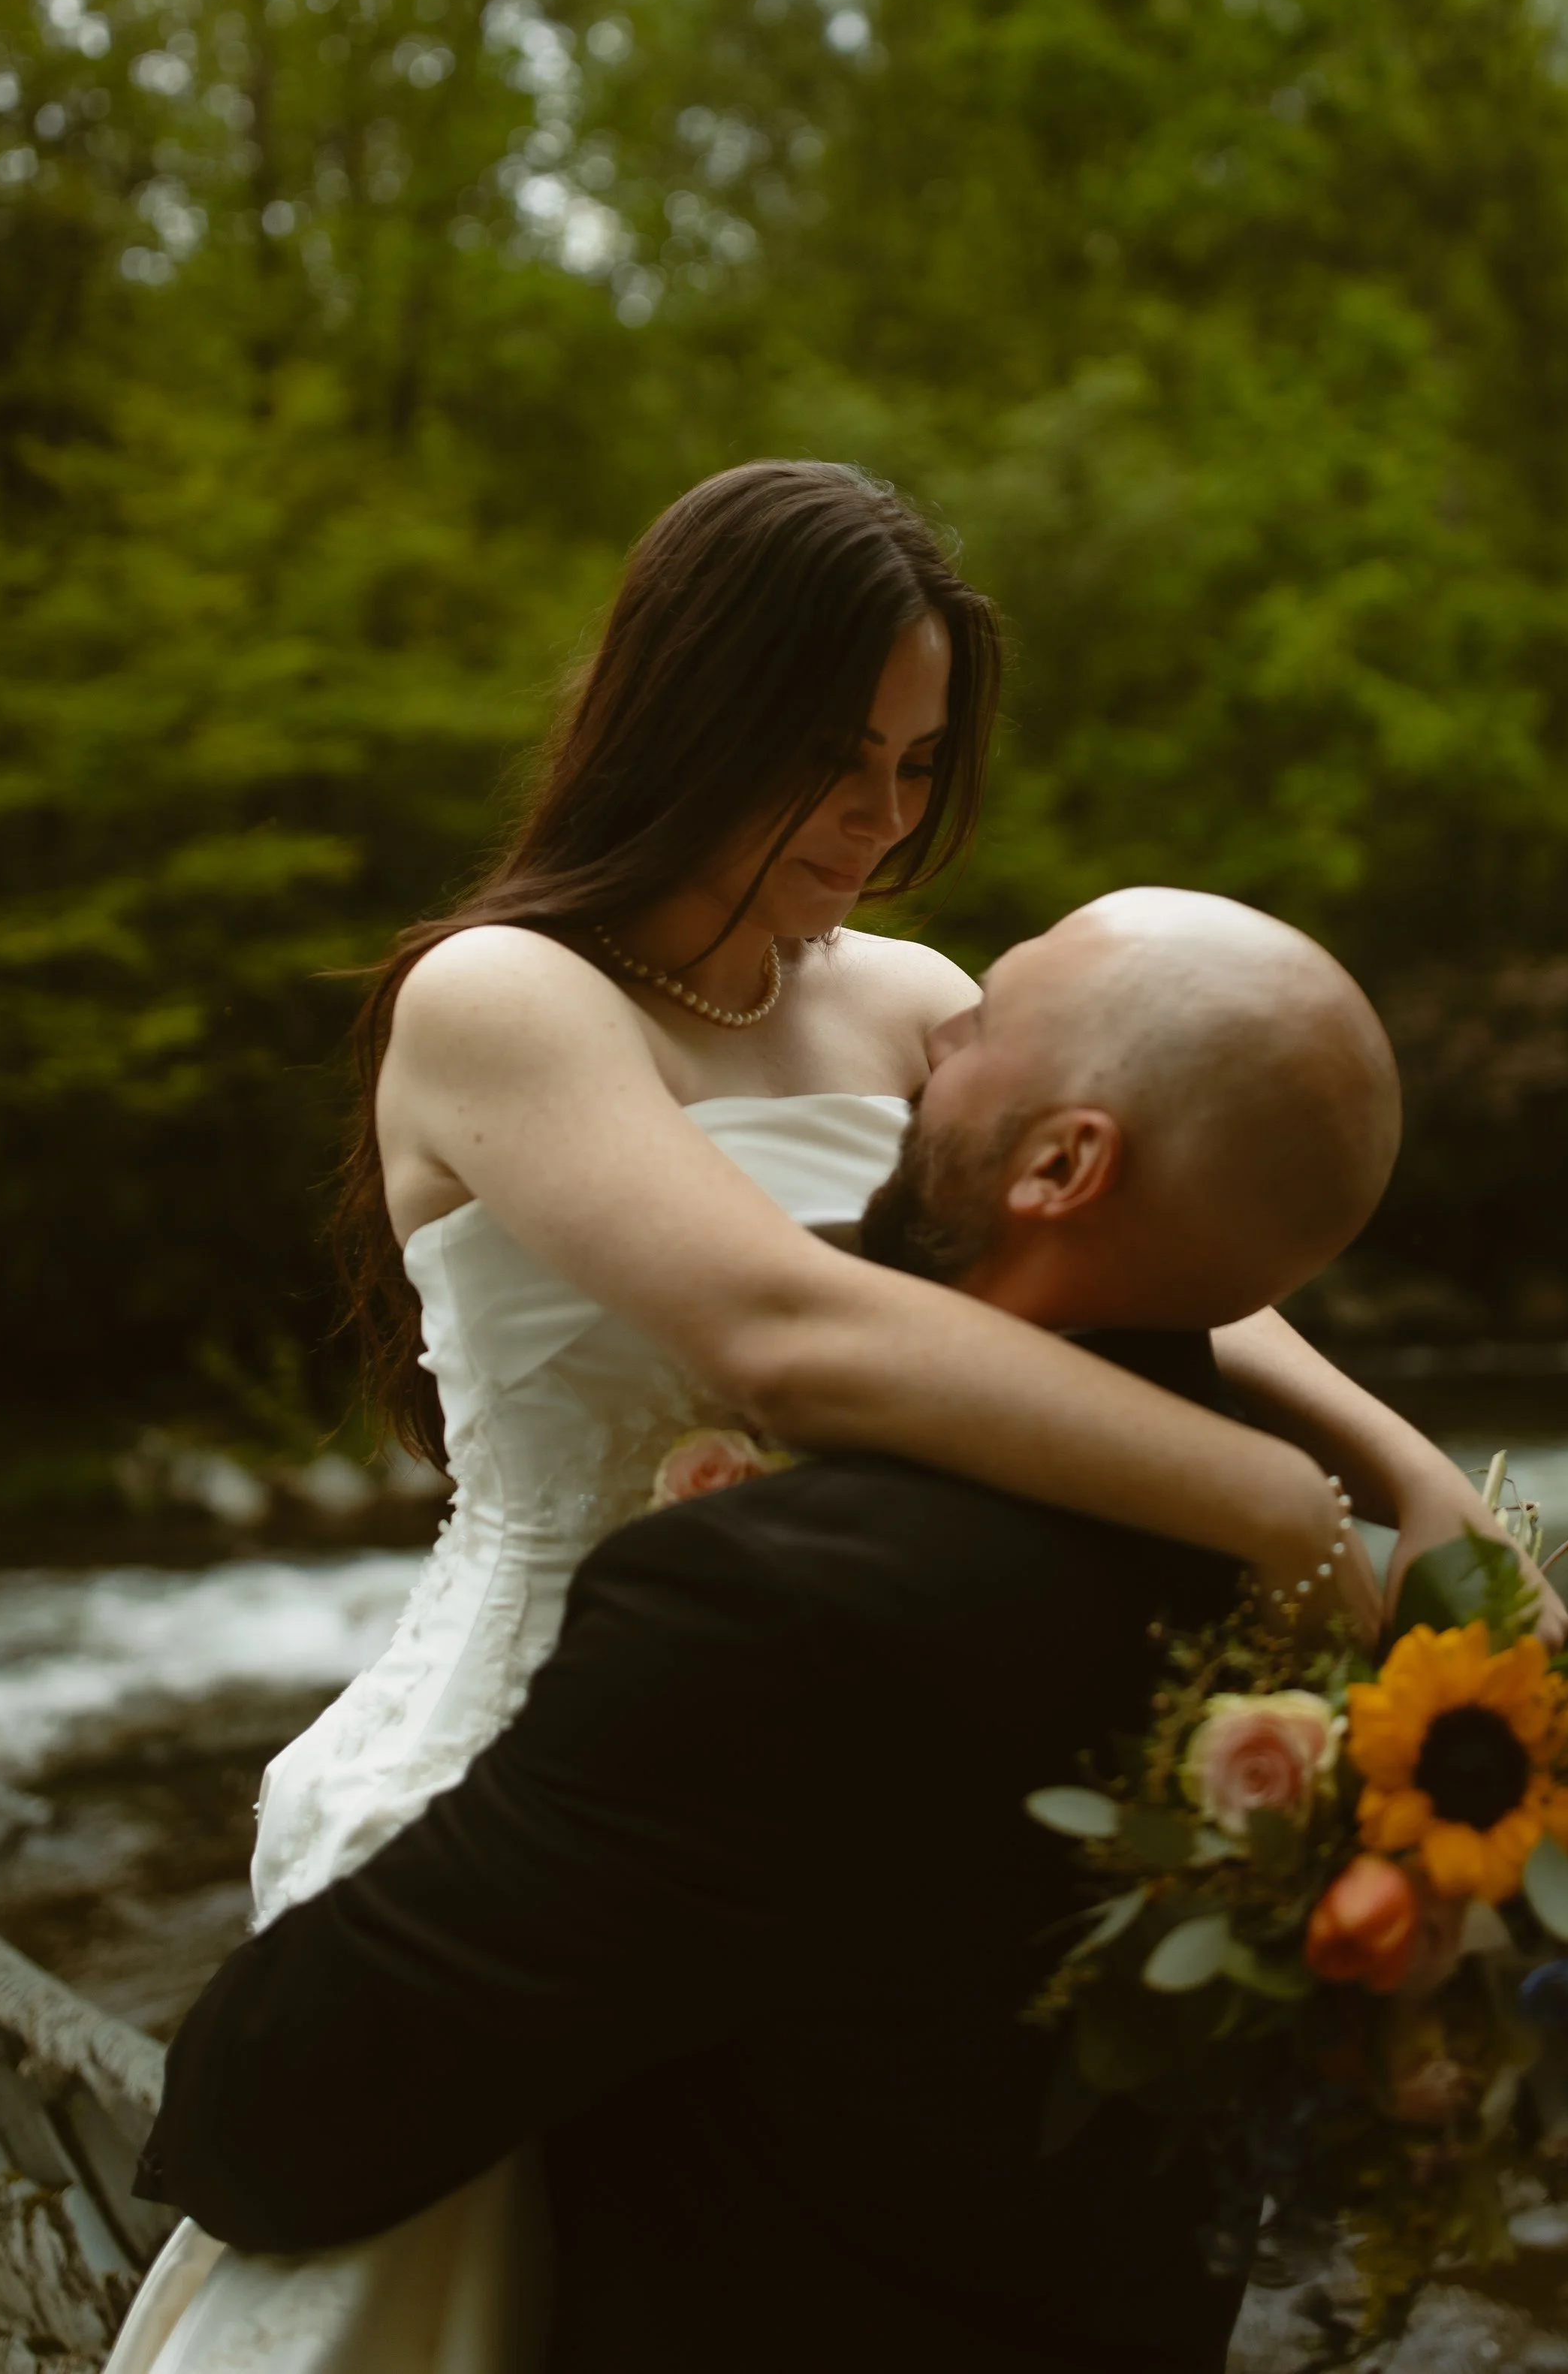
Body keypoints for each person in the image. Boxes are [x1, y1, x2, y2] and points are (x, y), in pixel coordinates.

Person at [106, 462, 1561, 2374]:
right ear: (686, 710)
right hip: (549, 1723)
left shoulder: (914, 1001)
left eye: (916, 762)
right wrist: (1273, 1510)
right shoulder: (508, 998)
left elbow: (1204, 1302)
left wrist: (1439, 1518)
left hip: (858, 1709)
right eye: (835, 759)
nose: (881, 823)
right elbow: (781, 1327)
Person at [141, 888, 1419, 2373]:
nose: (931, 1028)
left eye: (986, 1021)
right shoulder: (1332, 1623)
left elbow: (282, 2123)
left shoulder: (777, 1598)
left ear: (1063, 1165)